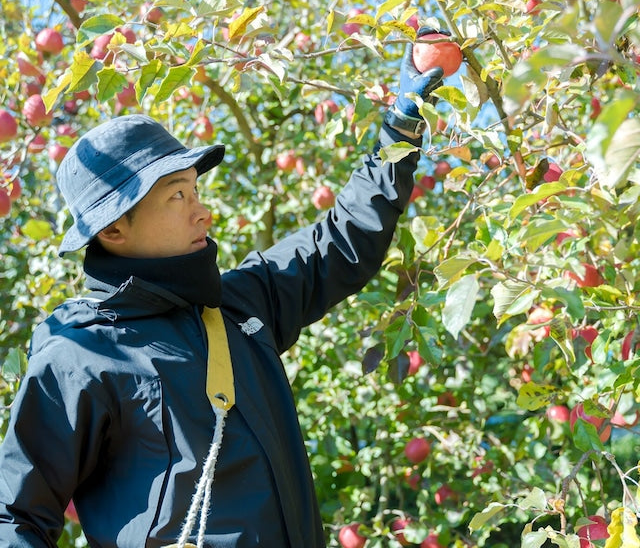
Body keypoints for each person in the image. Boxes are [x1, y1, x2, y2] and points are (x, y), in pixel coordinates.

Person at [0, 30, 445, 548]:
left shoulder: (241, 304)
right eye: (176, 196)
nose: (202, 210)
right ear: (113, 230)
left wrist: (403, 121)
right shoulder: (79, 354)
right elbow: (15, 517)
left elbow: (346, 235)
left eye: (196, 188)